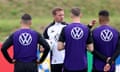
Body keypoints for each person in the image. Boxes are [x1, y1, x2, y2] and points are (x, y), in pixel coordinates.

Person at [43, 7, 96, 72]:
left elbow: (78, 33)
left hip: (67, 60)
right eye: (60, 15)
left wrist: (89, 26)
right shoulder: (48, 29)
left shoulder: (66, 26)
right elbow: (44, 44)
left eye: (63, 15)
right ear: (54, 16)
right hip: (55, 61)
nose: (62, 17)